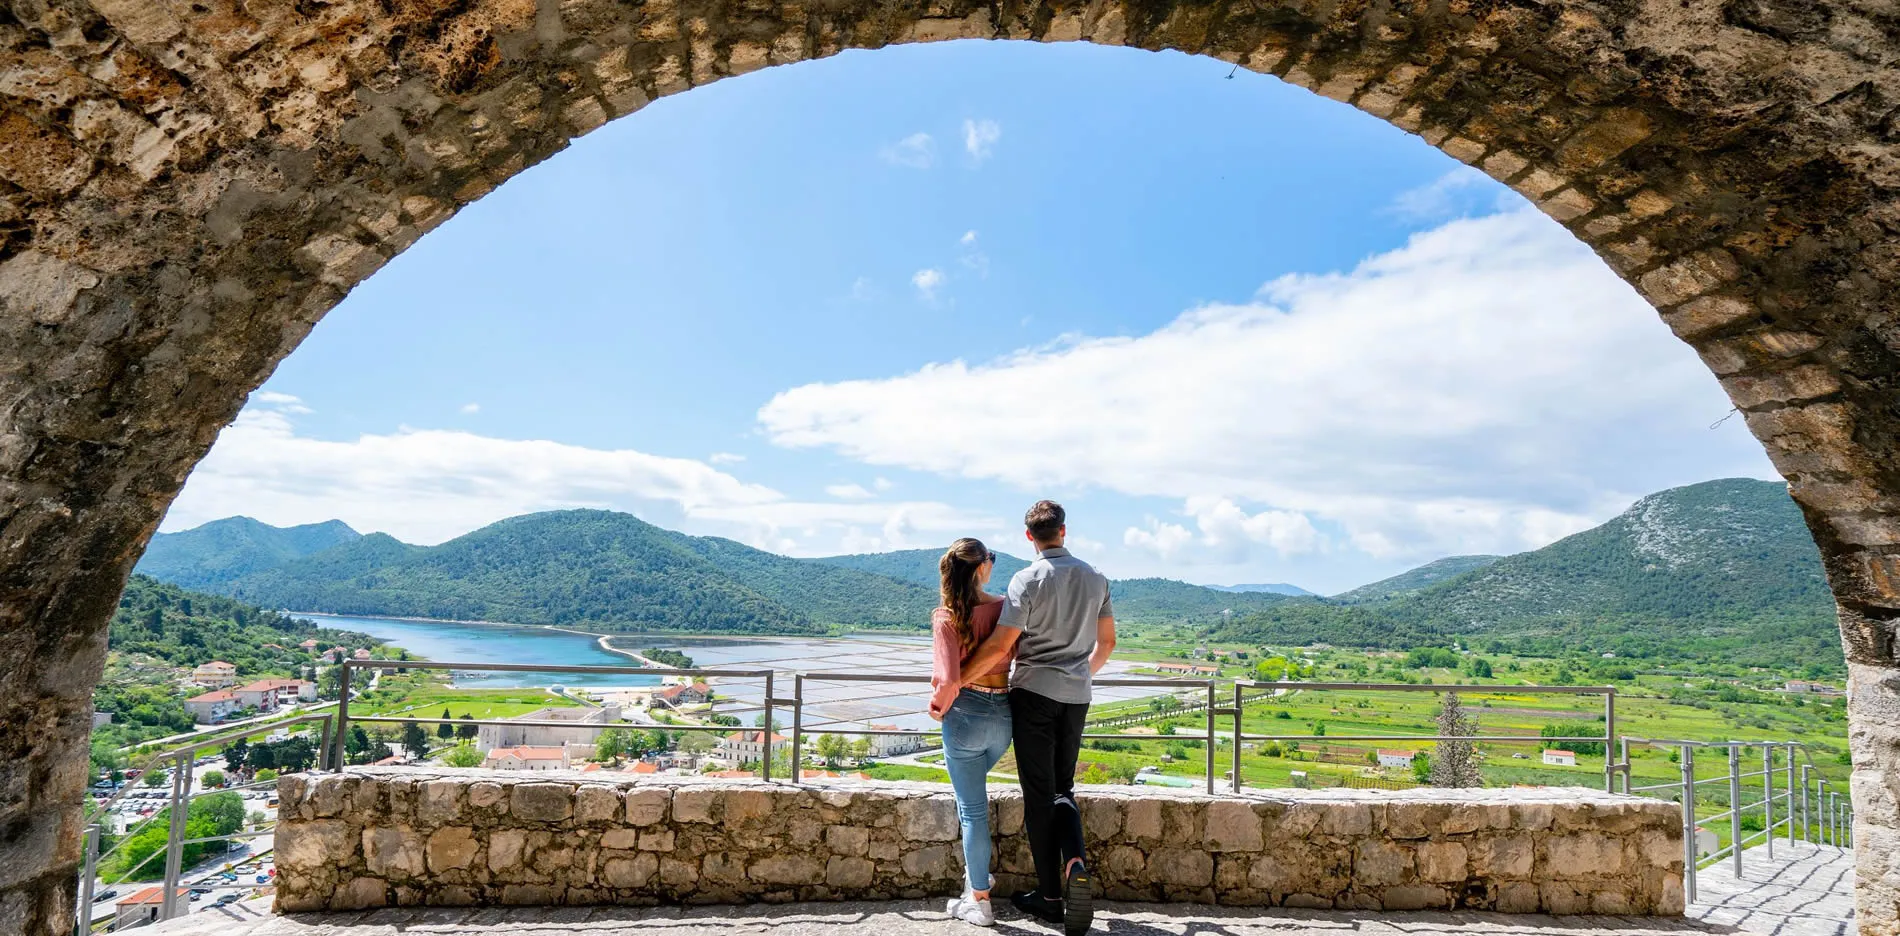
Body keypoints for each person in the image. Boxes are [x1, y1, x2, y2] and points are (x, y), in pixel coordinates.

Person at [955, 501, 1115, 936]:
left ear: (1030, 536)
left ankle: (1049, 898)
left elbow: (1000, 646)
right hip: (1076, 697)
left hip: (1033, 695)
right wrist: (1079, 674)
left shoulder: (1026, 579)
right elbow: (1108, 642)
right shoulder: (1096, 577)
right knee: (1064, 787)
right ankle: (1075, 859)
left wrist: (956, 682)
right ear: (1063, 531)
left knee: (1038, 795)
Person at [927, 538, 1014, 926]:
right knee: (974, 809)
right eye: (990, 559)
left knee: (973, 812)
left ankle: (979, 899)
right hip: (1004, 715)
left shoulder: (947, 617)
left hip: (965, 715)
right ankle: (974, 881)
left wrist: (936, 709)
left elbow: (947, 680)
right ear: (981, 568)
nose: (992, 564)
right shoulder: (1004, 608)